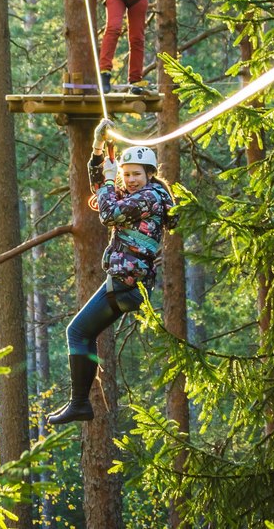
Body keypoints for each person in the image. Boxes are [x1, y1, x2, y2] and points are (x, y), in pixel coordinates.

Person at [47, 120, 178, 425]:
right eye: (126, 174)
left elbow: (108, 213)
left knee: (77, 332)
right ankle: (79, 403)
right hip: (124, 284)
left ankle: (79, 403)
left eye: (136, 174)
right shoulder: (139, 196)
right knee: (83, 332)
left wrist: (109, 182)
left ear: (149, 175)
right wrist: (96, 148)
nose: (130, 180)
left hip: (125, 283)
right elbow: (100, 189)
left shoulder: (149, 198)